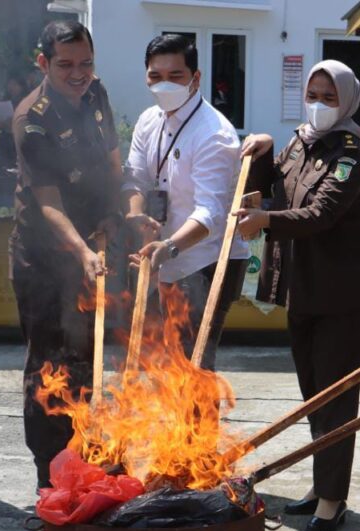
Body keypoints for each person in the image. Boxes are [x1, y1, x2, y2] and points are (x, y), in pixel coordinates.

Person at [236, 60, 360, 531]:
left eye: (329, 97)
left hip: (344, 293)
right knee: (313, 397)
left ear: (347, 101)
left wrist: (265, 222)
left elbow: (321, 214)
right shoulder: (300, 142)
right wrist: (261, 148)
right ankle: (322, 487)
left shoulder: (350, 153)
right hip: (303, 288)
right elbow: (273, 184)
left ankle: (333, 501)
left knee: (336, 397)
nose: (319, 104)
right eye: (313, 94)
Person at [10, 20, 123, 490]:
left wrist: (115, 213)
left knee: (89, 361)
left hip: (92, 246)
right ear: (43, 63)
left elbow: (114, 159)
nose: (79, 74)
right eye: (65, 65)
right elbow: (49, 203)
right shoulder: (31, 118)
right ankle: (49, 481)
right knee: (48, 370)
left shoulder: (96, 94)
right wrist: (81, 251)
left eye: (86, 63)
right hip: (44, 260)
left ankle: (89, 467)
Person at [123, 34, 248, 371]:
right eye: (155, 76)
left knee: (192, 370)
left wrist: (170, 247)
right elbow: (134, 177)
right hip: (160, 257)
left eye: (175, 76)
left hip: (203, 262)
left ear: (196, 78)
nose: (164, 85)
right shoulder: (149, 120)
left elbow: (210, 215)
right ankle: (171, 426)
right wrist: (136, 216)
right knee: (160, 365)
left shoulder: (214, 133)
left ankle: (198, 426)